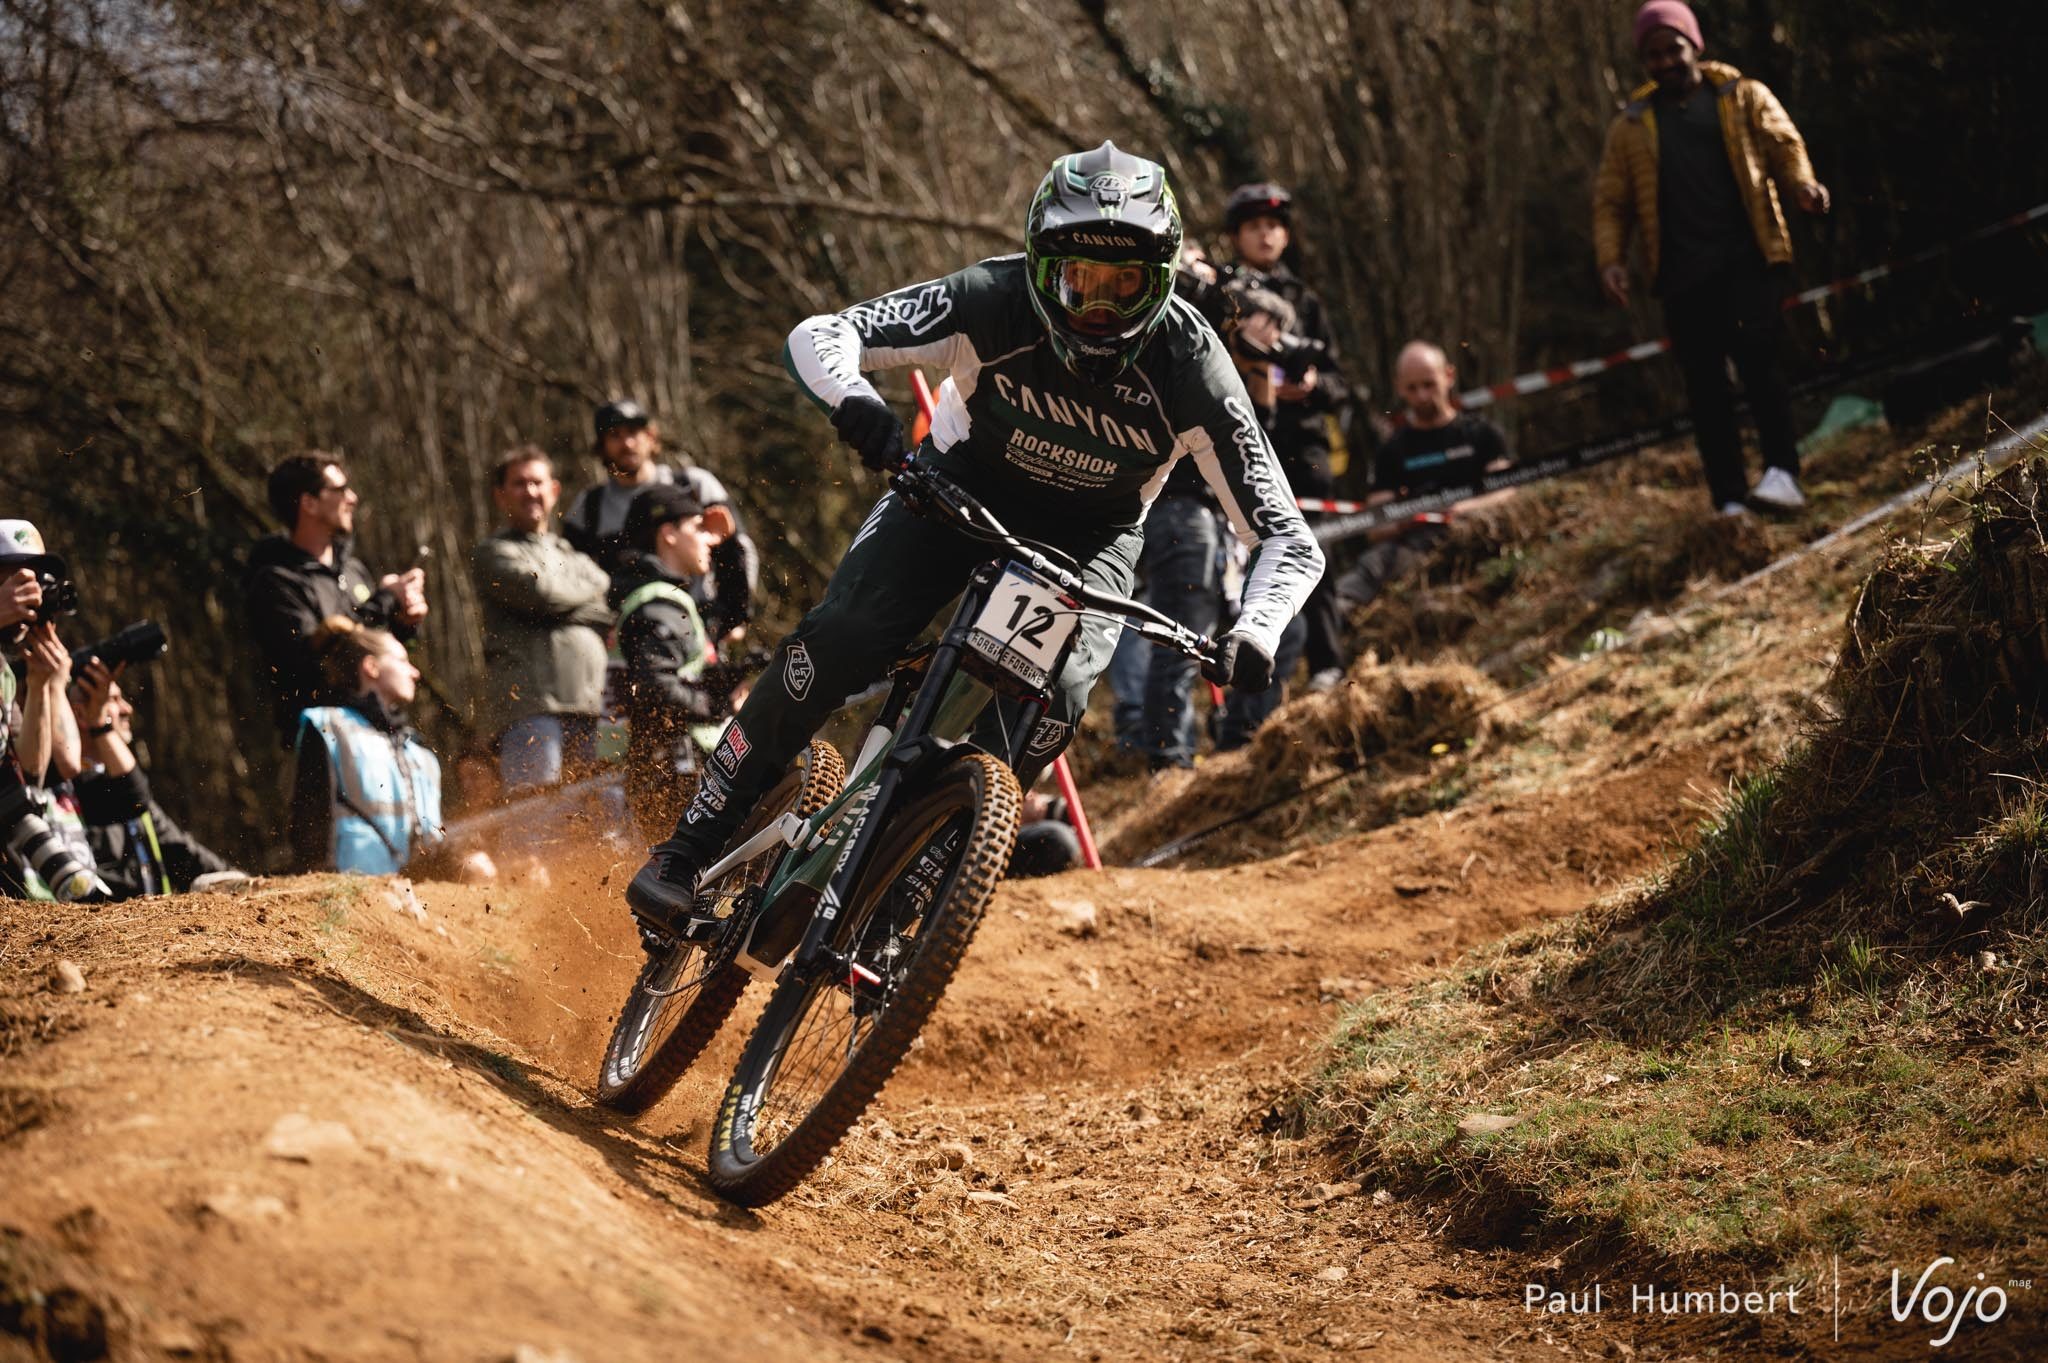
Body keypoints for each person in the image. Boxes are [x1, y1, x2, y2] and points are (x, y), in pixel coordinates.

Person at [623, 141, 1325, 934]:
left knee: (1056, 701)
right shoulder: (993, 296)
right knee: (844, 635)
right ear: (1039, 266)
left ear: (1159, 279)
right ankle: (690, 844)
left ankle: (914, 884)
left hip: (1091, 539)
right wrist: (854, 399)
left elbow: (1287, 535)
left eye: (1122, 285)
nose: (1096, 310)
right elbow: (824, 333)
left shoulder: (1193, 363)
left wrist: (1257, 629)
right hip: (957, 490)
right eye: (1077, 280)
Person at [1594, 0, 1831, 516]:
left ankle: (1782, 474)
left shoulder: (1742, 96)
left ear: (1694, 46)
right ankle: (1728, 499)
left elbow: (1784, 146)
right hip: (1681, 276)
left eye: (1673, 49)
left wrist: (1803, 186)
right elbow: (1612, 202)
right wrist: (1611, 259)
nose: (1664, 62)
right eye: (1653, 55)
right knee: (1705, 390)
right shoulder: (1631, 127)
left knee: (1761, 367)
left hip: (1747, 261)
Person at [1222, 182, 1351, 692]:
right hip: (1245, 443)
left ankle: (1327, 667)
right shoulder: (1221, 294)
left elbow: (1341, 383)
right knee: (1242, 564)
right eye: (1254, 226)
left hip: (1306, 448)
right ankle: (1248, 682)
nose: (1265, 234)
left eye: (1274, 225)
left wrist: (1312, 385)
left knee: (1317, 553)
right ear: (1236, 236)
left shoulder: (1307, 301)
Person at [245, 453, 429, 745]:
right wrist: (383, 601)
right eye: (340, 490)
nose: (352, 498)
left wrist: (405, 625)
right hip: (321, 743)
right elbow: (317, 662)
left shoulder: (354, 571)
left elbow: (375, 655)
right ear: (309, 503)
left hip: (379, 735)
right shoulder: (277, 584)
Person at [1333, 341, 1517, 617]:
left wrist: (1460, 510)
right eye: (1412, 388)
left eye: (1429, 384)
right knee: (1370, 569)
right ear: (1399, 387)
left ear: (1449, 376)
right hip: (1413, 546)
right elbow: (1375, 525)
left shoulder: (1481, 433)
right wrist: (1407, 518)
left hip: (1476, 535)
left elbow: (1508, 490)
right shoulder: (1392, 450)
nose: (1422, 396)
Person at [472, 447, 615, 794]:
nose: (530, 491)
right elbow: (541, 593)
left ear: (553, 489)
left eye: (537, 482)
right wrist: (582, 600)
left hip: (592, 709)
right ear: (500, 495)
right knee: (537, 814)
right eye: (519, 483)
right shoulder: (494, 552)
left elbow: (606, 594)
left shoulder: (571, 553)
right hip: (531, 711)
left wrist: (564, 602)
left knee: (595, 813)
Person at [562, 399, 760, 643]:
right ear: (601, 445)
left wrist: (734, 619)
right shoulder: (590, 506)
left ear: (650, 437)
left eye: (633, 432)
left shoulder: (692, 486)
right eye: (615, 435)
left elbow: (739, 549)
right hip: (627, 633)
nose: (627, 443)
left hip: (700, 624)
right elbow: (573, 574)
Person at [609, 484, 739, 838]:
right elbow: (657, 688)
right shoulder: (659, 602)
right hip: (669, 771)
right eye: (697, 527)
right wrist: (716, 704)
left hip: (657, 767)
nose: (708, 539)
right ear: (668, 534)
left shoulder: (650, 596)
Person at [65, 658, 242, 898]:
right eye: (112, 699)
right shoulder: (69, 791)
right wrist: (101, 726)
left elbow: (183, 853)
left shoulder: (122, 787)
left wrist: (245, 884)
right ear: (79, 712)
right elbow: (132, 794)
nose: (128, 708)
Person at [286, 616, 446, 876]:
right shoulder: (328, 726)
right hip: (352, 891)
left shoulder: (419, 753)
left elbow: (434, 845)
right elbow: (311, 832)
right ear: (371, 667)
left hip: (415, 896)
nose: (415, 672)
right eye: (402, 660)